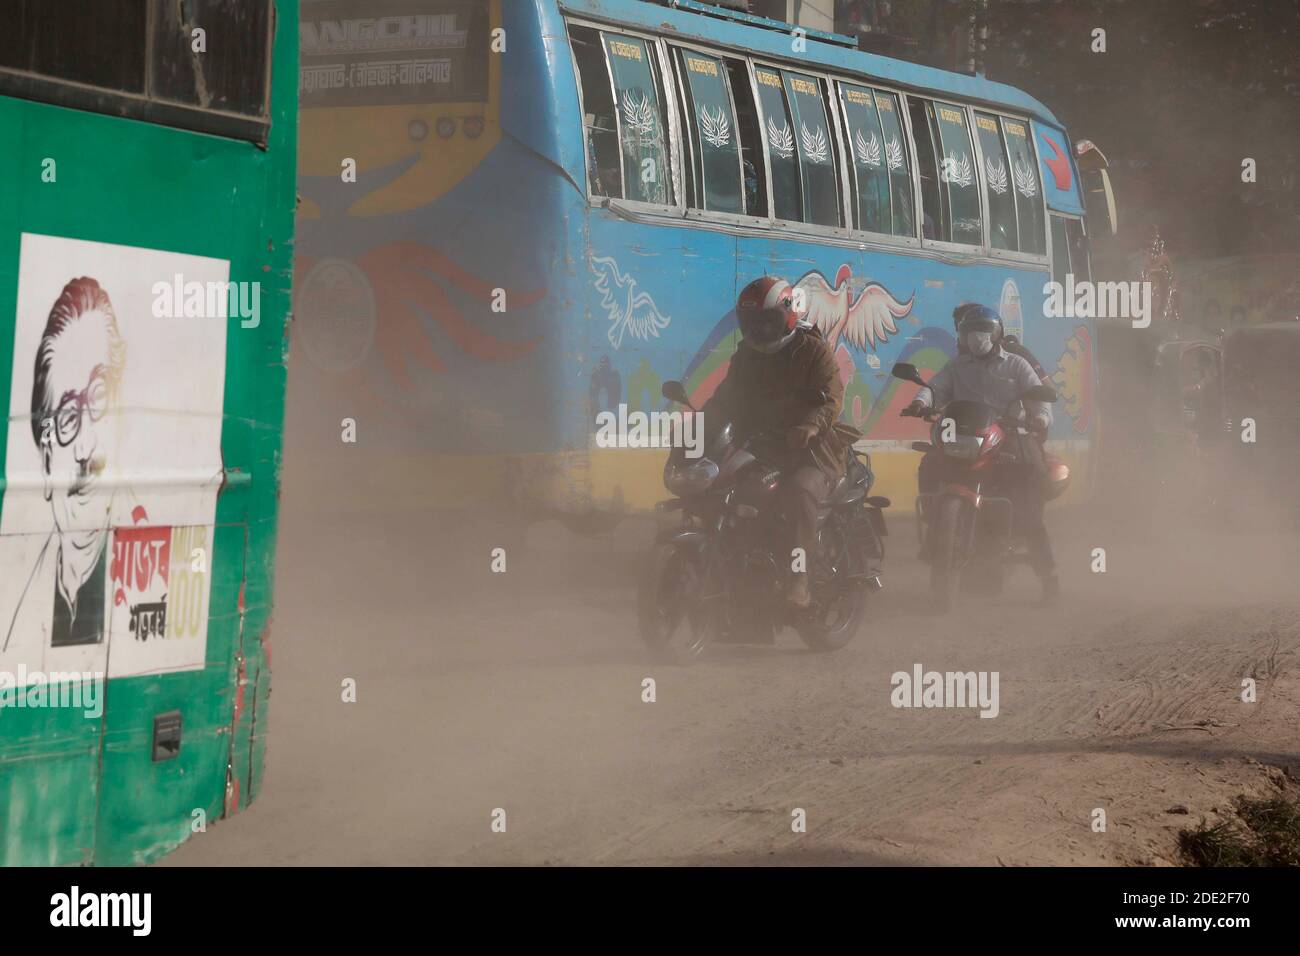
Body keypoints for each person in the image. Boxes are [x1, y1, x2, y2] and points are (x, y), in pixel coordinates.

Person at [704, 275, 860, 609]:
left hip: (815, 451)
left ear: (788, 316)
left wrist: (811, 426)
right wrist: (697, 425)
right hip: (766, 447)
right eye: (752, 322)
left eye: (767, 321)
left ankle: (798, 577)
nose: (759, 330)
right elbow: (724, 399)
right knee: (727, 487)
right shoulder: (747, 355)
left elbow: (832, 399)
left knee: (801, 492)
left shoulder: (812, 349)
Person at [904, 304, 1060, 601]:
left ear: (997, 333)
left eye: (983, 332)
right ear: (962, 336)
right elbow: (935, 388)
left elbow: (1039, 399)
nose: (977, 338)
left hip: (1011, 434)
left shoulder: (1016, 364)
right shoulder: (956, 366)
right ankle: (935, 525)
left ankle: (1047, 574)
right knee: (929, 463)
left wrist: (1039, 417)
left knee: (1029, 495)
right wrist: (921, 402)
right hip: (966, 435)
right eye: (970, 332)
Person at [4, 277, 124, 653]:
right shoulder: (15, 616)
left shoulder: (141, 565)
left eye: (100, 396)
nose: (87, 448)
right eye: (69, 417)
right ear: (45, 462)